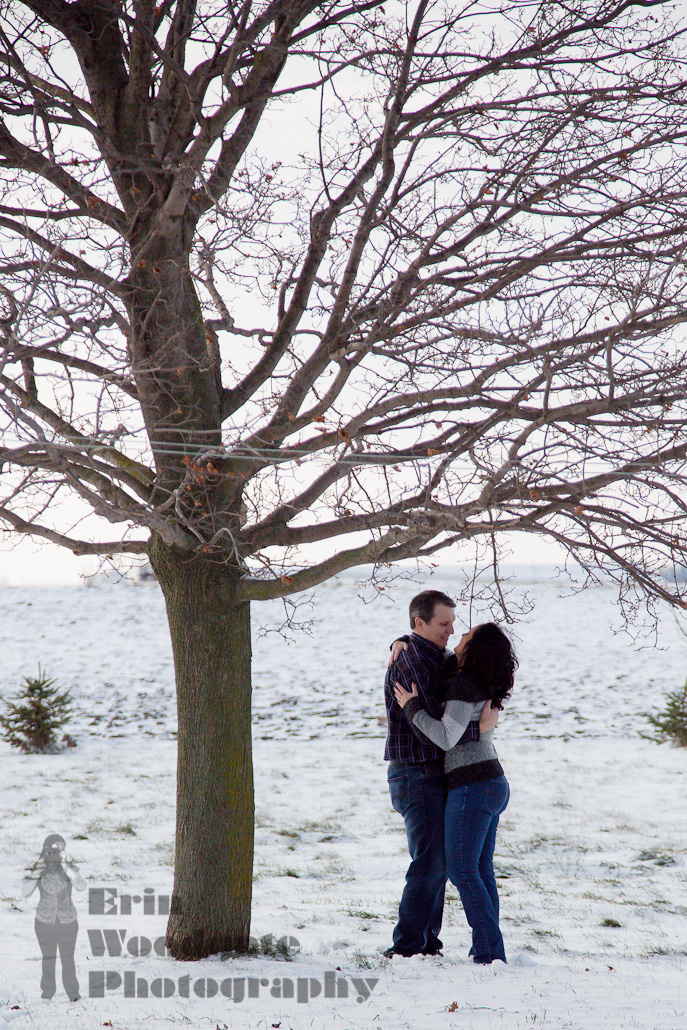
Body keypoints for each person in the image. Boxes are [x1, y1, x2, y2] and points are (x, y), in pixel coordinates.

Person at [383, 590, 499, 958]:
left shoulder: (438, 657)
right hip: (415, 772)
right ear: (420, 623)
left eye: (454, 623)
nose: (452, 630)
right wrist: (479, 731)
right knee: (432, 862)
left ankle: (427, 942)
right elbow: (432, 732)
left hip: (440, 774)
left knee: (441, 862)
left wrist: (398, 639)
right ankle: (408, 946)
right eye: (444, 623)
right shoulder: (414, 662)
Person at [22, 833, 86, 1001]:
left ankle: (73, 994)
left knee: (68, 959)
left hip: (68, 921)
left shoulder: (68, 869)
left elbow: (81, 886)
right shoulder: (40, 870)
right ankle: (47, 994)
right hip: (44, 921)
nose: (53, 856)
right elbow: (25, 892)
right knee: (48, 959)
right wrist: (37, 871)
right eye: (49, 852)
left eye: (57, 852)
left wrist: (66, 866)